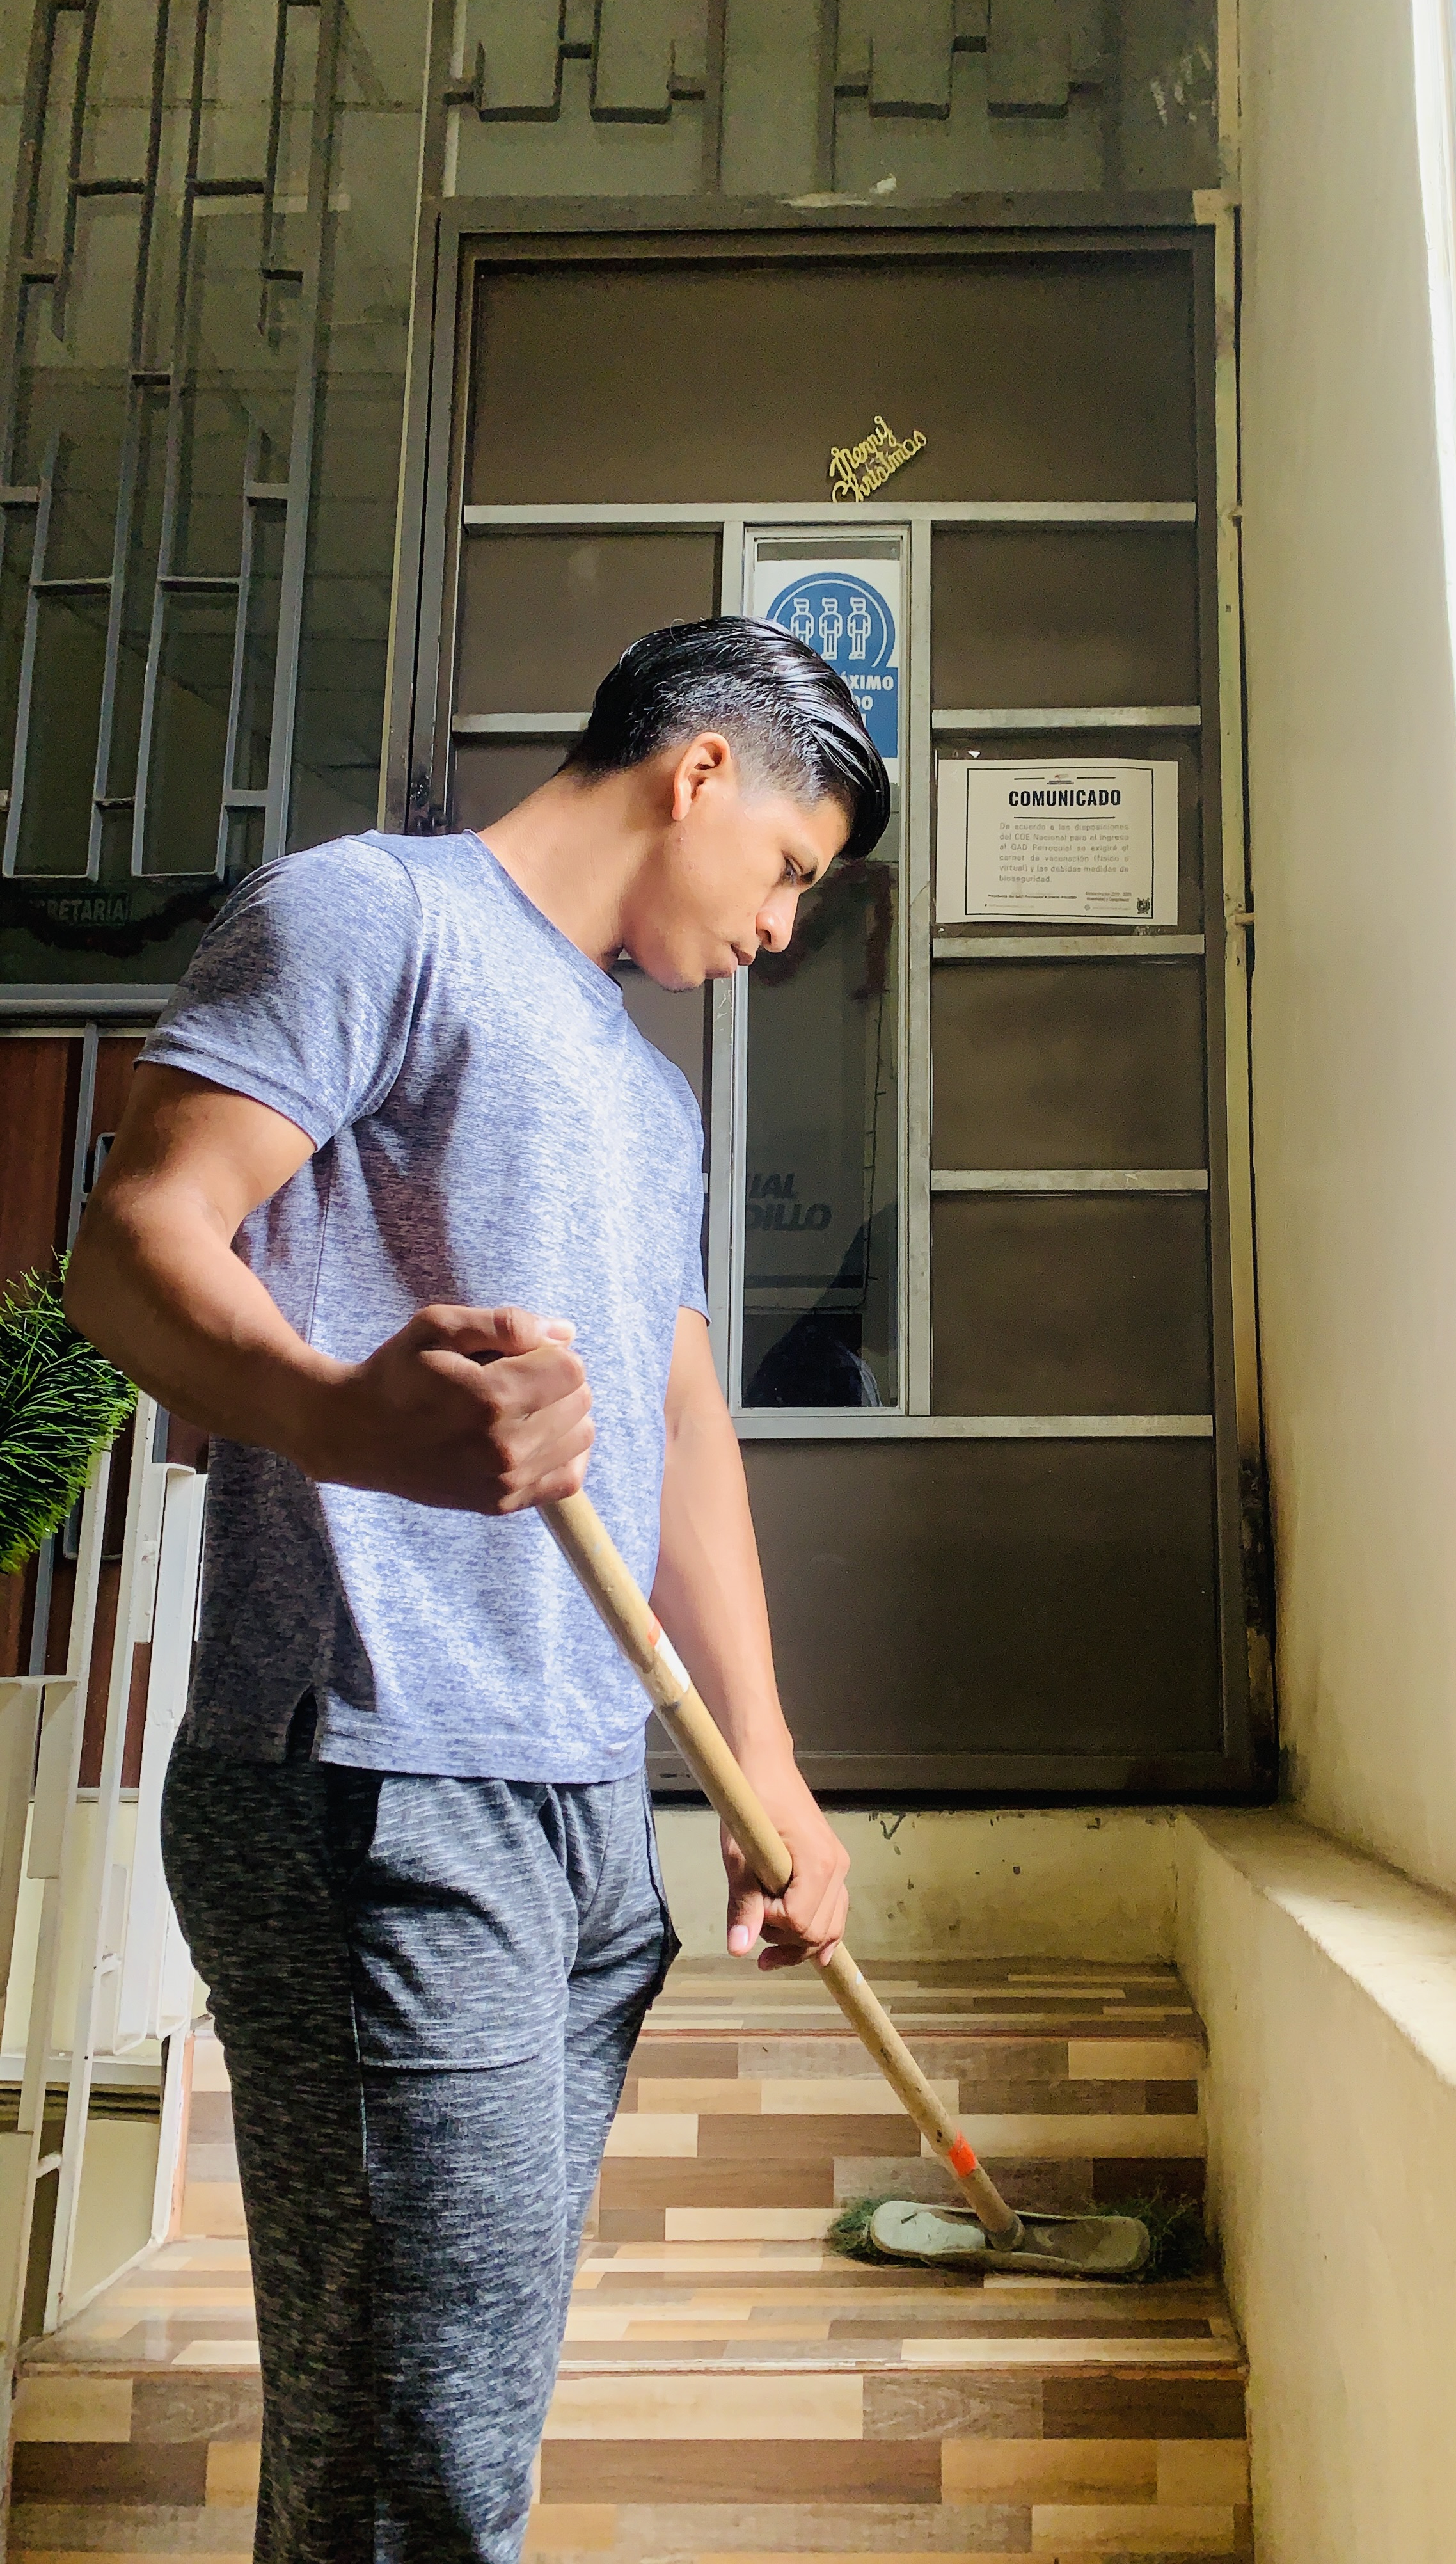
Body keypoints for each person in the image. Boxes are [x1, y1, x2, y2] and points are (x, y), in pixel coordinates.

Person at [65, 616, 892, 2564]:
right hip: (374, 1774)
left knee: (452, 2414)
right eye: (790, 869)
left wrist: (767, 1763)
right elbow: (134, 1244)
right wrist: (344, 1421)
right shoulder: (376, 918)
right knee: (416, 2453)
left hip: (585, 1806)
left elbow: (680, 1426)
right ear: (701, 768)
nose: (784, 929)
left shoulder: (649, 1096)